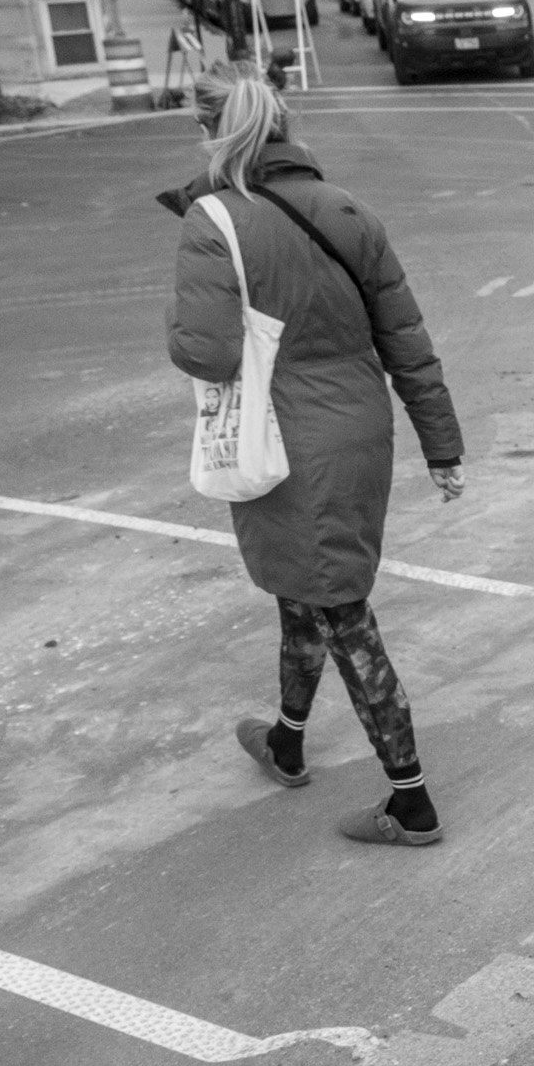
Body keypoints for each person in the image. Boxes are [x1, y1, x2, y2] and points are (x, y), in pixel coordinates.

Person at [159, 62, 465, 848]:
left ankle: (411, 800)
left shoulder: (216, 221)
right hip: (359, 432)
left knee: (339, 612)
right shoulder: (348, 210)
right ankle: (287, 742)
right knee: (309, 595)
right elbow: (407, 338)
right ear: (285, 130)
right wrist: (441, 445)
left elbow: (208, 353)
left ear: (212, 133)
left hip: (283, 437)